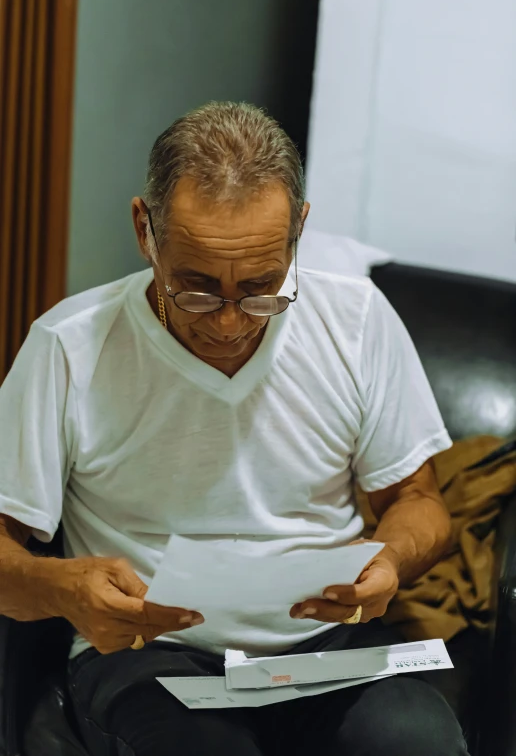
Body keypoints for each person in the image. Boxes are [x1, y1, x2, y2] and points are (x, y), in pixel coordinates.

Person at [0, 102, 469, 756]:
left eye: (261, 288)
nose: (228, 323)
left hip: (321, 648)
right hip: (150, 653)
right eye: (194, 289)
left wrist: (389, 559)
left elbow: (418, 503)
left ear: (298, 231)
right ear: (145, 230)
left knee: (417, 743)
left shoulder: (355, 320)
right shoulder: (67, 347)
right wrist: (63, 587)